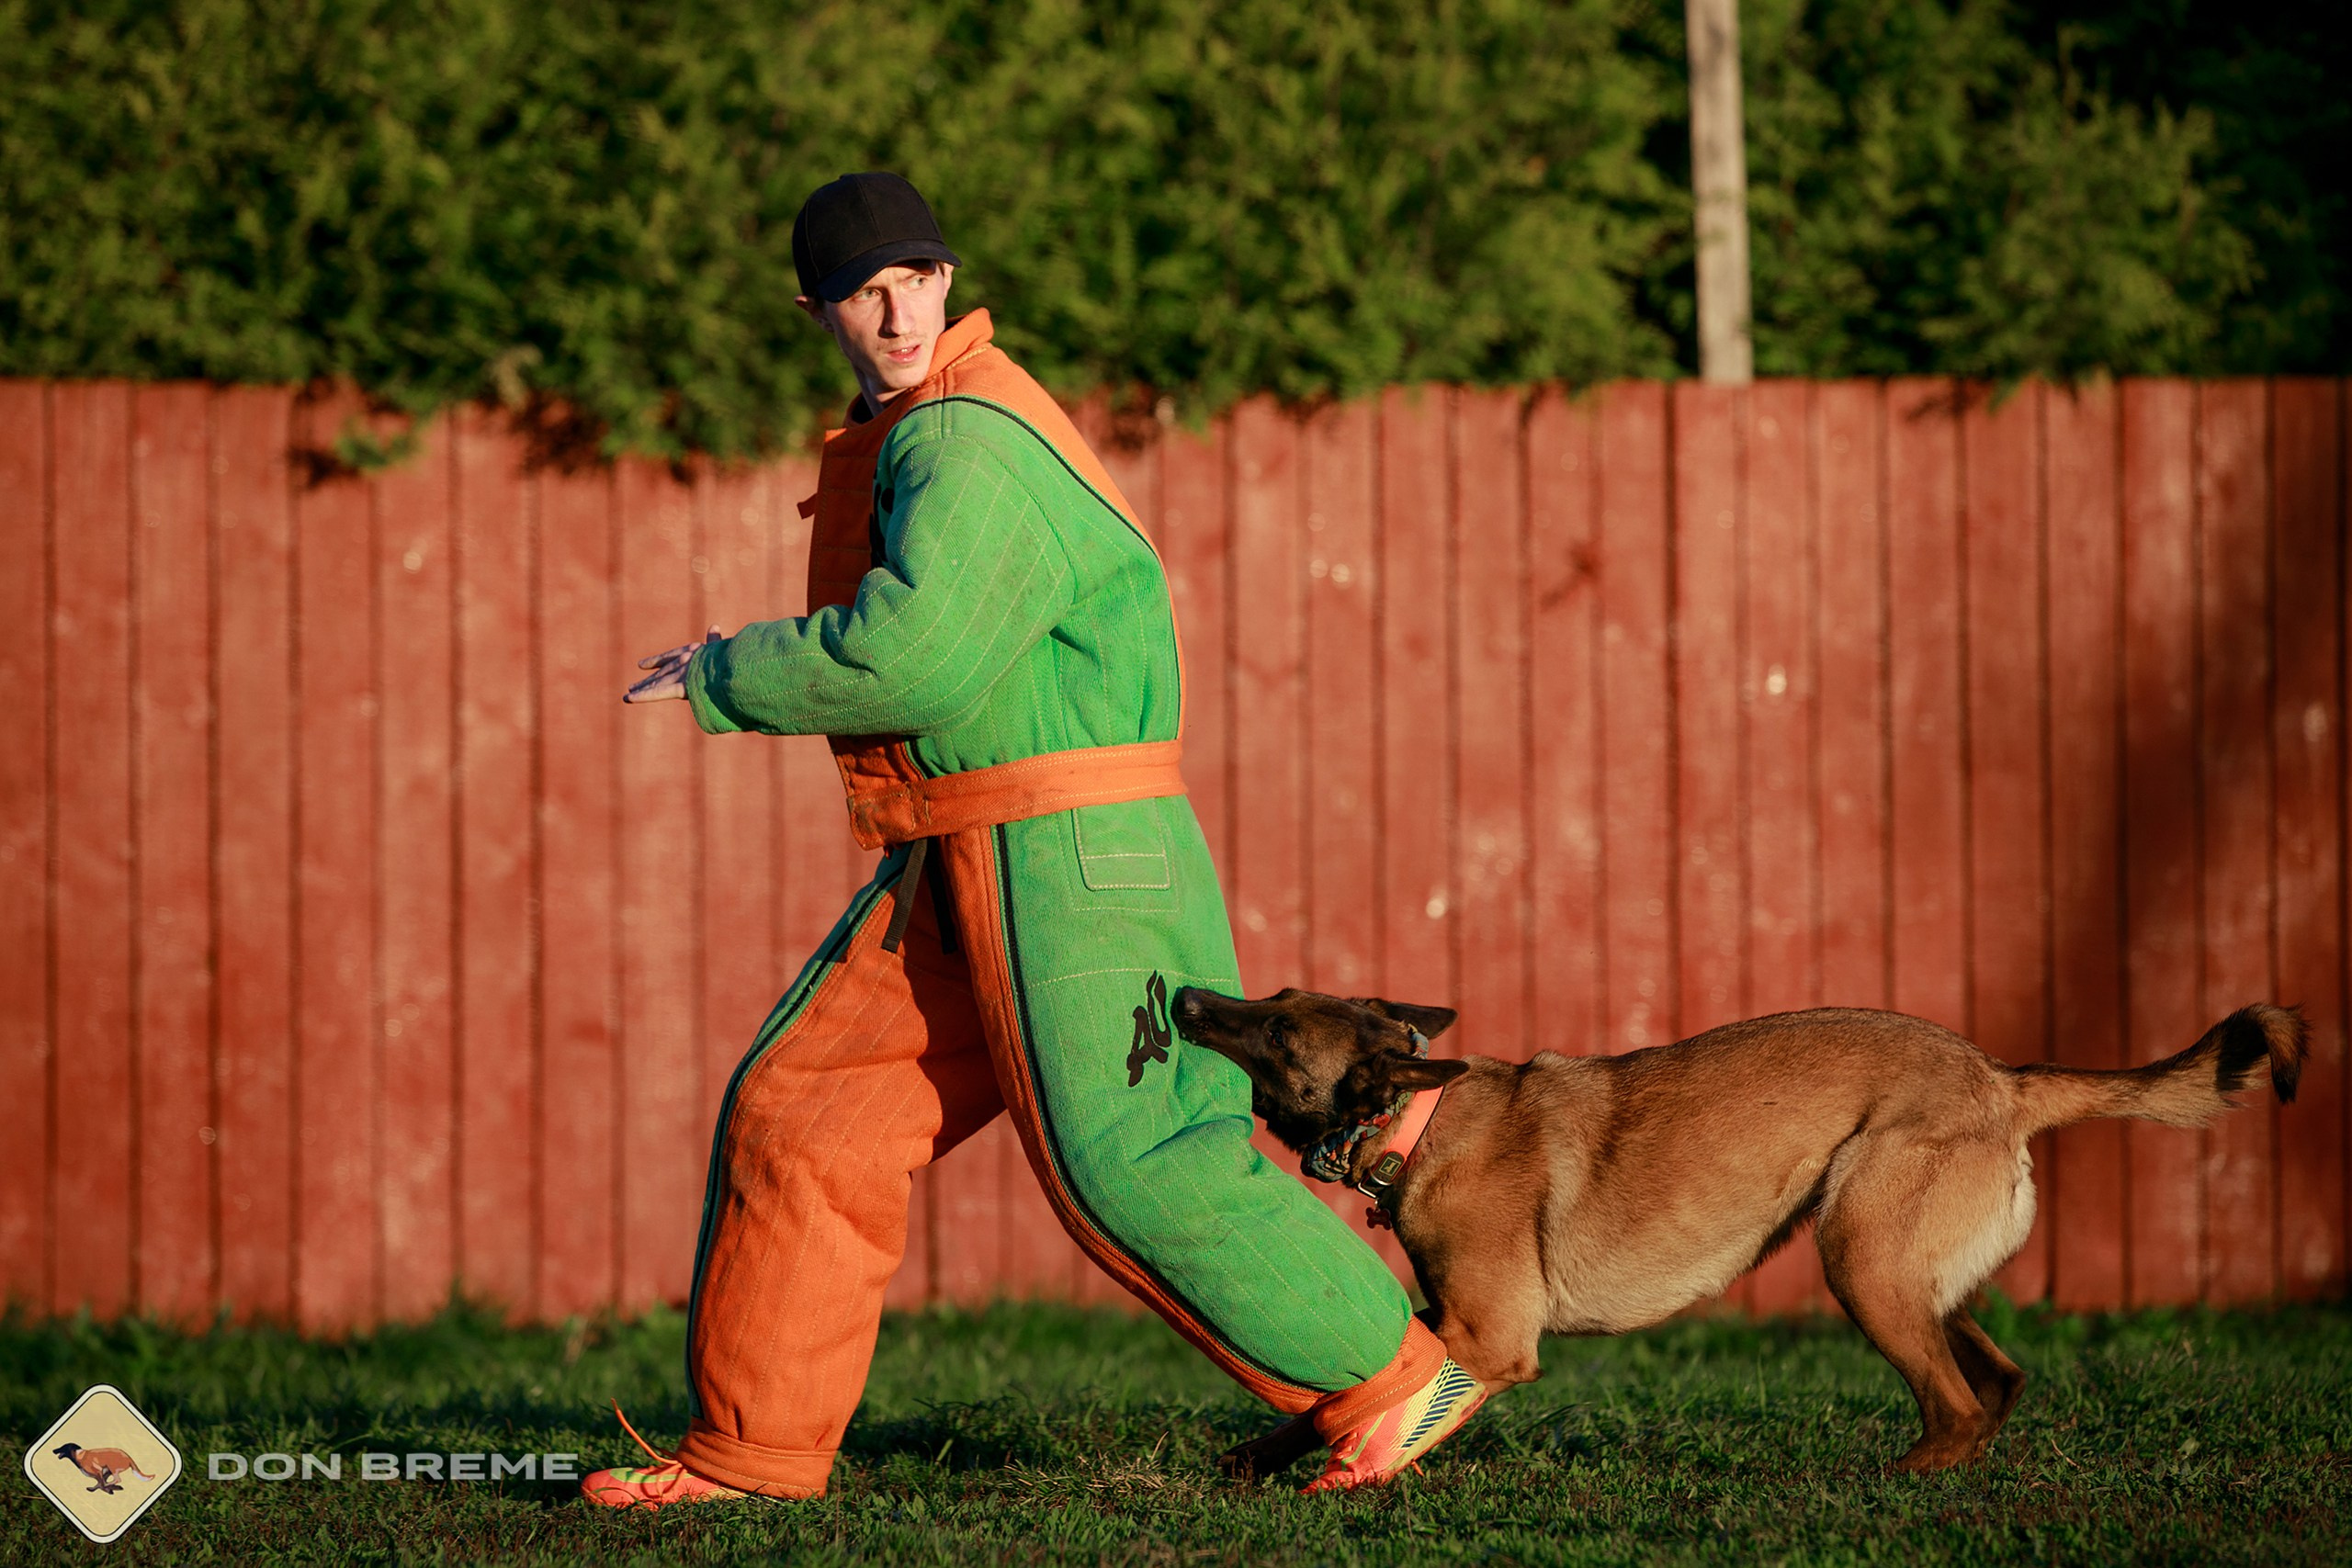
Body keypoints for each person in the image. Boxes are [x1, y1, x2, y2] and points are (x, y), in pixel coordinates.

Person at [580, 172, 1484, 1507]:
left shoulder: (968, 438)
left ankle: (1395, 1379)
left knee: (1137, 1161)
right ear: (816, 310)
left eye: (917, 282)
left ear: (948, 279)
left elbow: (916, 659)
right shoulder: (927, 425)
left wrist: (726, 670)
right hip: (968, 844)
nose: (899, 314)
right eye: (866, 293)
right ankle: (753, 1455)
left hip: (1068, 855)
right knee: (804, 1122)